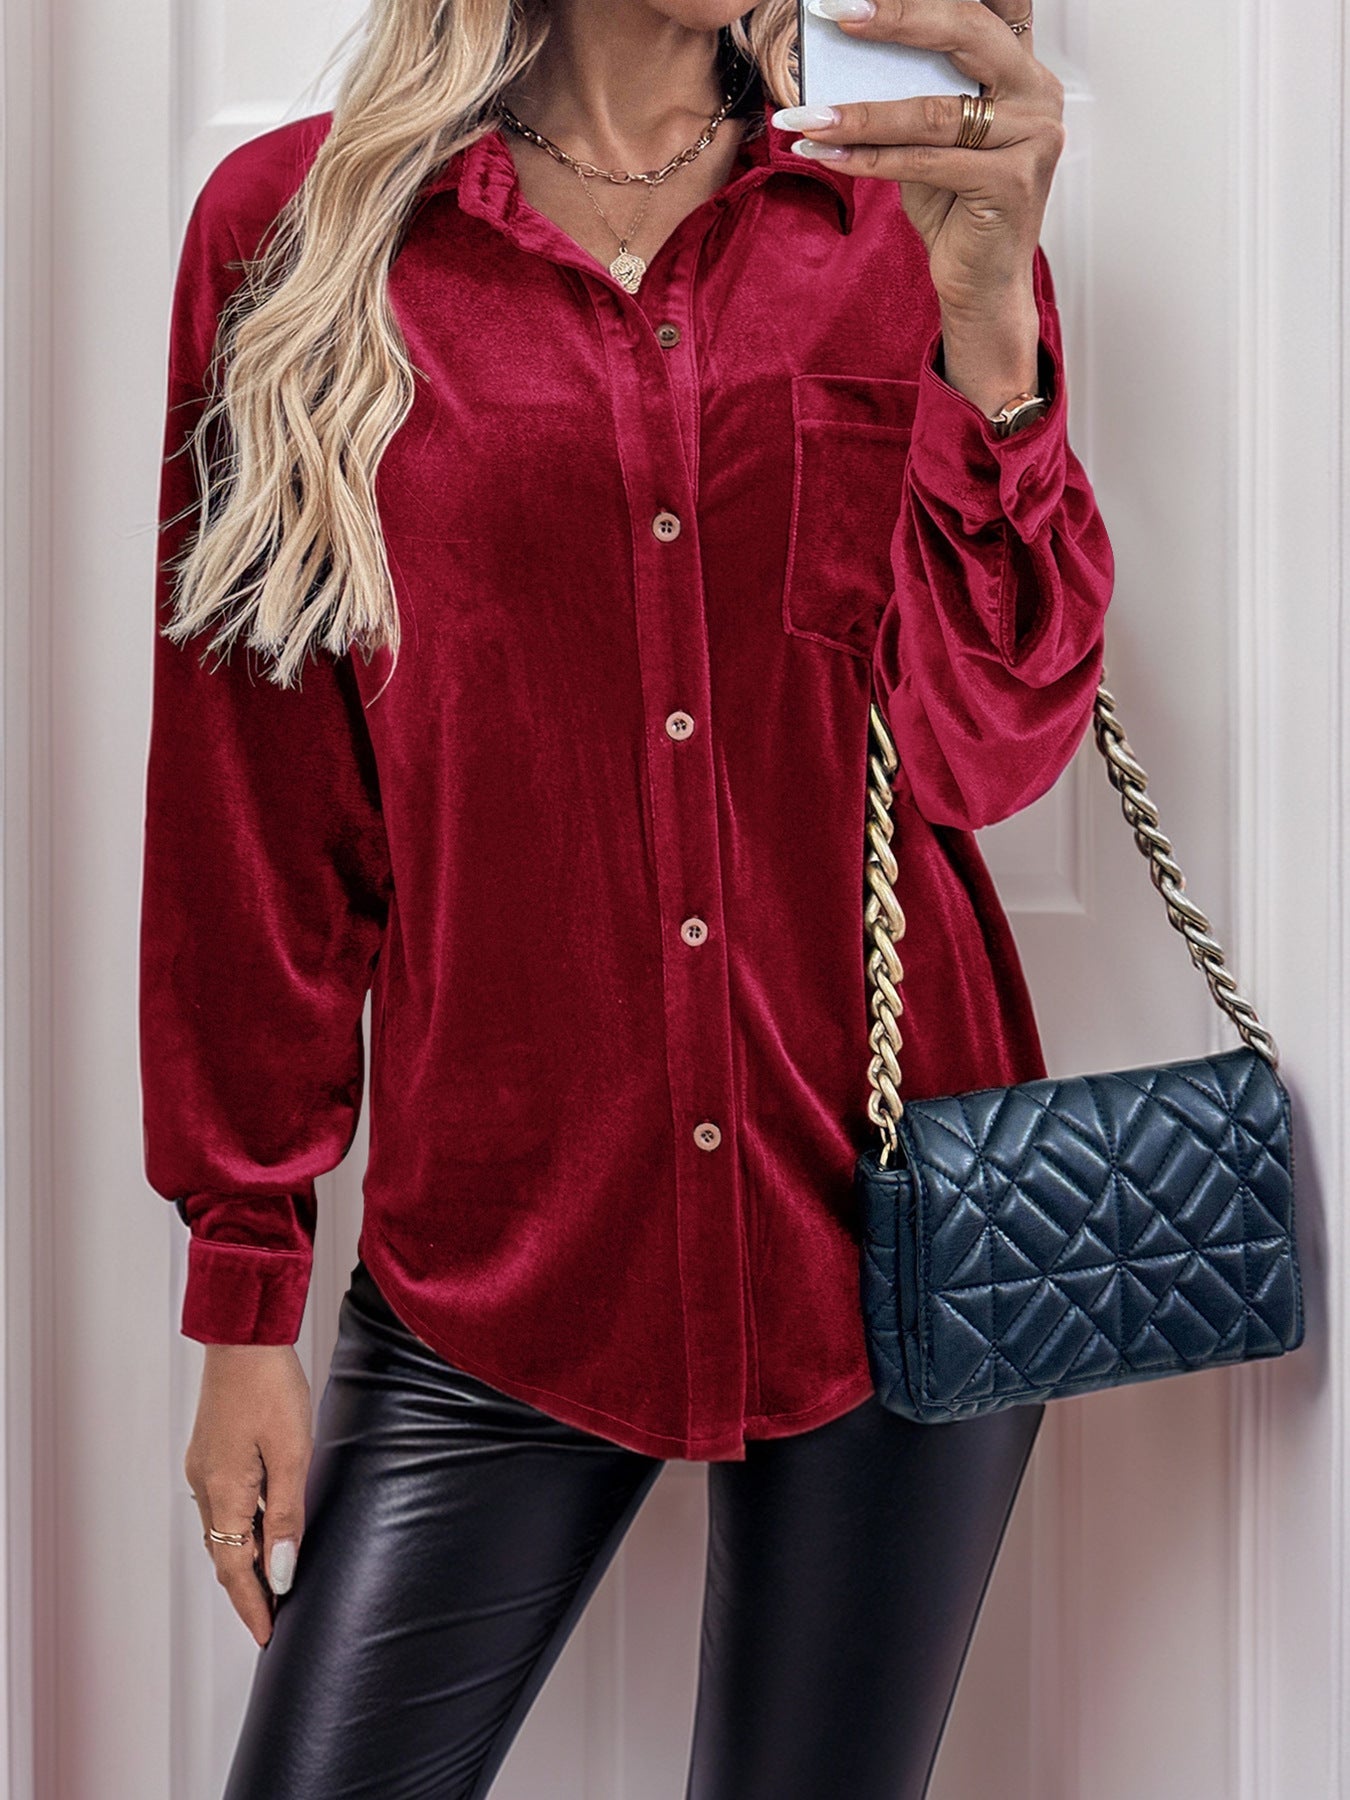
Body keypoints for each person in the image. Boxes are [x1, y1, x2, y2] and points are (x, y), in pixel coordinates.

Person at [138, 0, 1114, 1793]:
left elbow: (993, 747)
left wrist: (986, 326)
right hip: (500, 1259)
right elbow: (252, 801)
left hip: (907, 1231)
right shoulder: (297, 232)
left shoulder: (892, 209)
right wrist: (243, 1294)